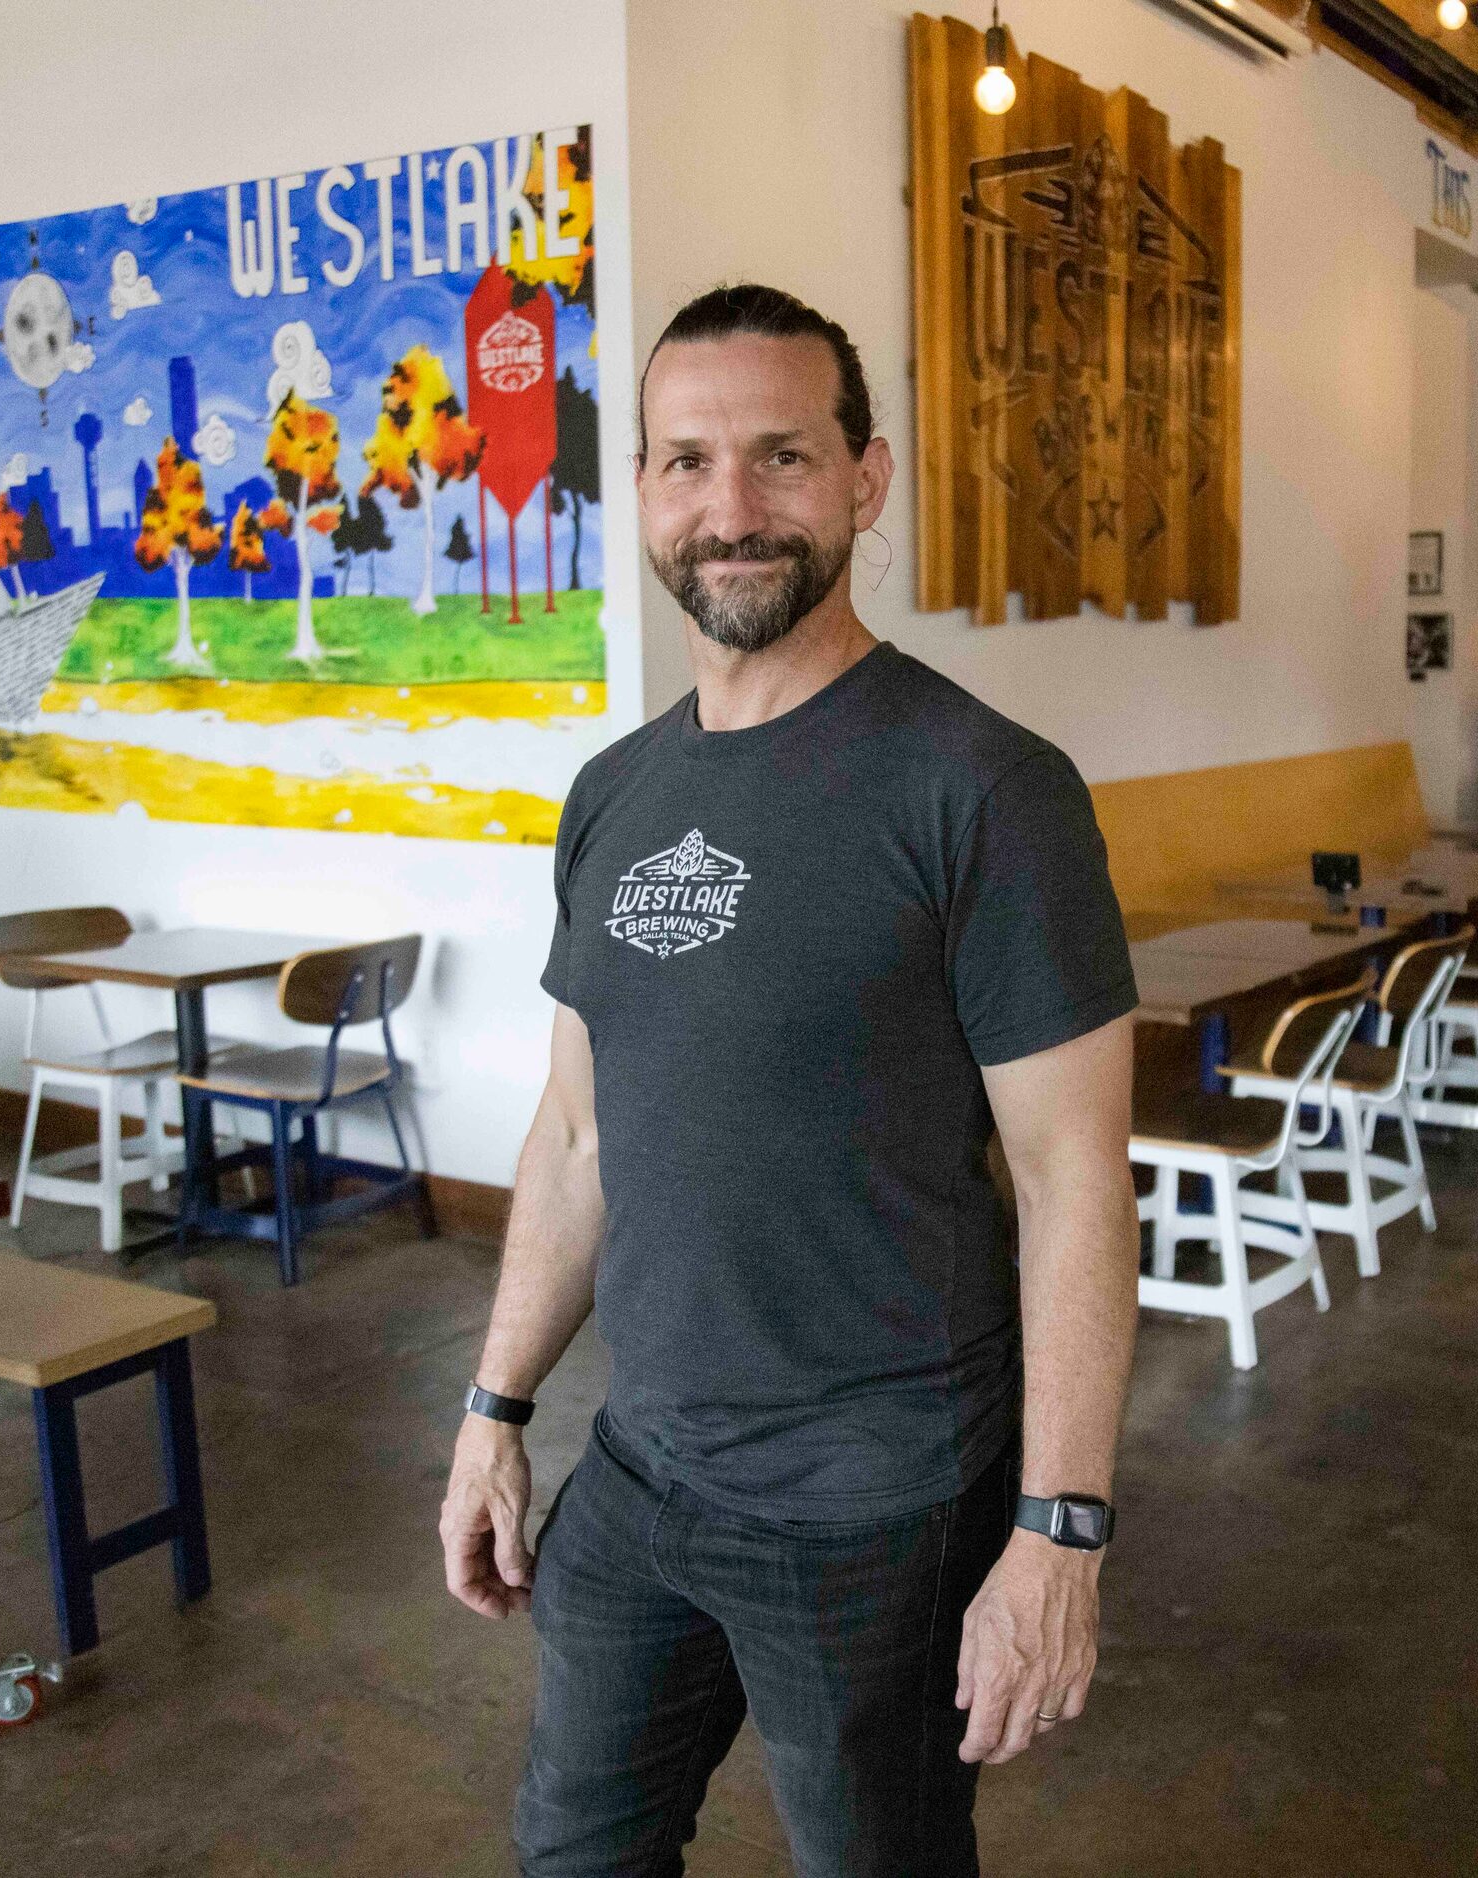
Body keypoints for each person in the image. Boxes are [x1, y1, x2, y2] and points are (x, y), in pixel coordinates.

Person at [438, 284, 1142, 1878]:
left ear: (865, 479)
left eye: (781, 455)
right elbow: (574, 1133)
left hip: (873, 1499)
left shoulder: (983, 789)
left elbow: (1075, 1181)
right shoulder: (614, 793)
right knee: (577, 1855)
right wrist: (495, 1406)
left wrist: (1061, 1532)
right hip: (642, 1463)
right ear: (638, 495)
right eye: (687, 462)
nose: (731, 507)